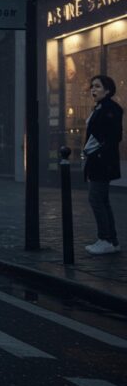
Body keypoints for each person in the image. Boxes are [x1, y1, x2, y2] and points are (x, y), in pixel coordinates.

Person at [82, 75, 123, 255]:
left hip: (102, 161)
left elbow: (114, 136)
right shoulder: (99, 108)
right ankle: (110, 240)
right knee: (102, 200)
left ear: (107, 90)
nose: (93, 89)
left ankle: (106, 239)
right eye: (92, 86)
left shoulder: (110, 109)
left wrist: (97, 151)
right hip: (96, 160)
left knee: (96, 199)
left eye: (98, 86)